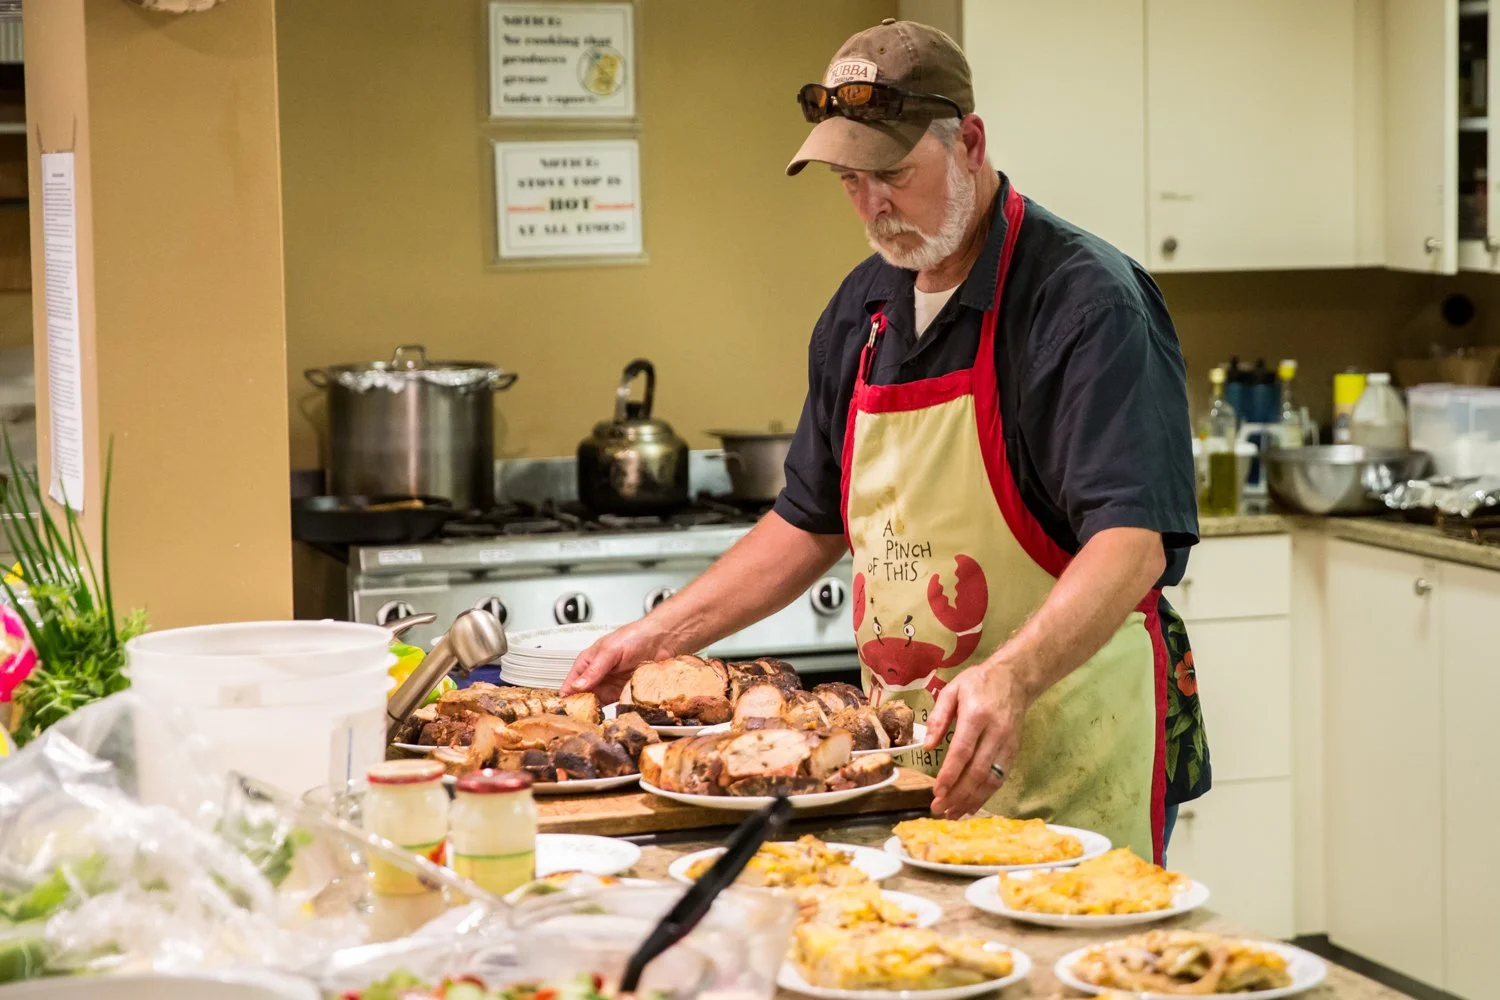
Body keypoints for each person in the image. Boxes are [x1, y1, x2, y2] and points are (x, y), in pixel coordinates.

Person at [564, 18, 1208, 863]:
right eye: (848, 180)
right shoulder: (862, 311)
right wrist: (662, 635)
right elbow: (808, 520)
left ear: (970, 142)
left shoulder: (1084, 302)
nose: (872, 207)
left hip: (1073, 746)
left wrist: (1010, 677)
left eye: (894, 175)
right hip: (913, 759)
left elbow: (1133, 544)